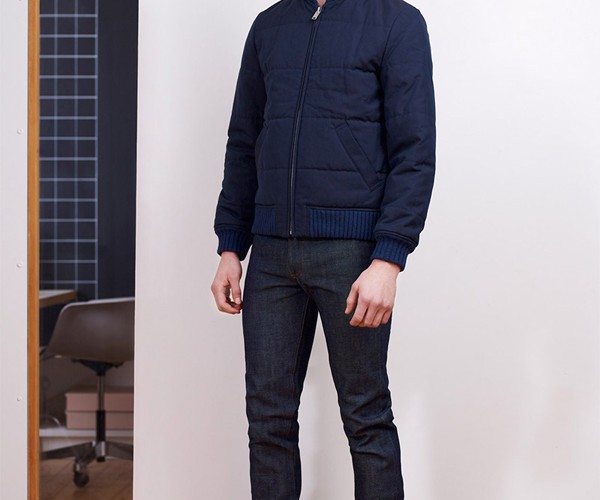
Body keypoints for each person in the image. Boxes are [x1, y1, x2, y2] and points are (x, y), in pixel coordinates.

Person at [211, 0, 435, 498]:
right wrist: (231, 246)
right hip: (270, 255)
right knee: (267, 420)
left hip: (351, 254)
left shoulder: (396, 21)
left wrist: (388, 259)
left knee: (366, 416)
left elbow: (415, 150)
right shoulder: (269, 25)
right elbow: (244, 140)